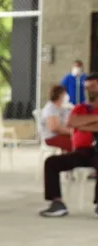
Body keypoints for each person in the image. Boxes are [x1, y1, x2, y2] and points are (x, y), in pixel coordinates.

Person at [40, 73, 98, 218]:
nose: (89, 90)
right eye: (87, 87)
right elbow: (71, 122)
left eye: (93, 86)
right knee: (51, 162)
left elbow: (77, 123)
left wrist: (83, 124)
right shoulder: (80, 108)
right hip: (81, 152)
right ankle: (57, 203)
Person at [40, 85, 74, 152]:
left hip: (61, 135)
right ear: (60, 95)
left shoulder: (61, 107)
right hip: (51, 137)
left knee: (81, 139)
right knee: (76, 143)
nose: (67, 96)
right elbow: (54, 128)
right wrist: (71, 132)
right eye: (65, 94)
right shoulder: (51, 108)